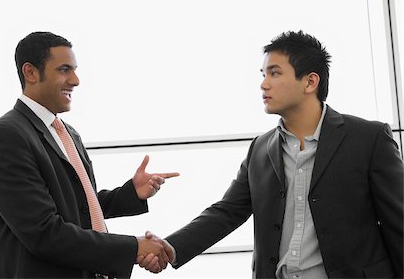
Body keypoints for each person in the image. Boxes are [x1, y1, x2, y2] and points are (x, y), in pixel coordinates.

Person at [138, 30, 404, 278]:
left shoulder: (368, 139)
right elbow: (226, 212)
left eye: (274, 73)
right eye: (263, 74)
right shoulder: (260, 150)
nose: (264, 84)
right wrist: (170, 247)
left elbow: (399, 225)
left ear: (310, 81)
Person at [0, 31, 179, 279]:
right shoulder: (7, 138)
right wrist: (133, 247)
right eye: (64, 70)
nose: (75, 80)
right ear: (30, 72)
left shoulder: (66, 133)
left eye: (74, 69)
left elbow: (78, 209)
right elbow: (44, 232)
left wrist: (130, 194)